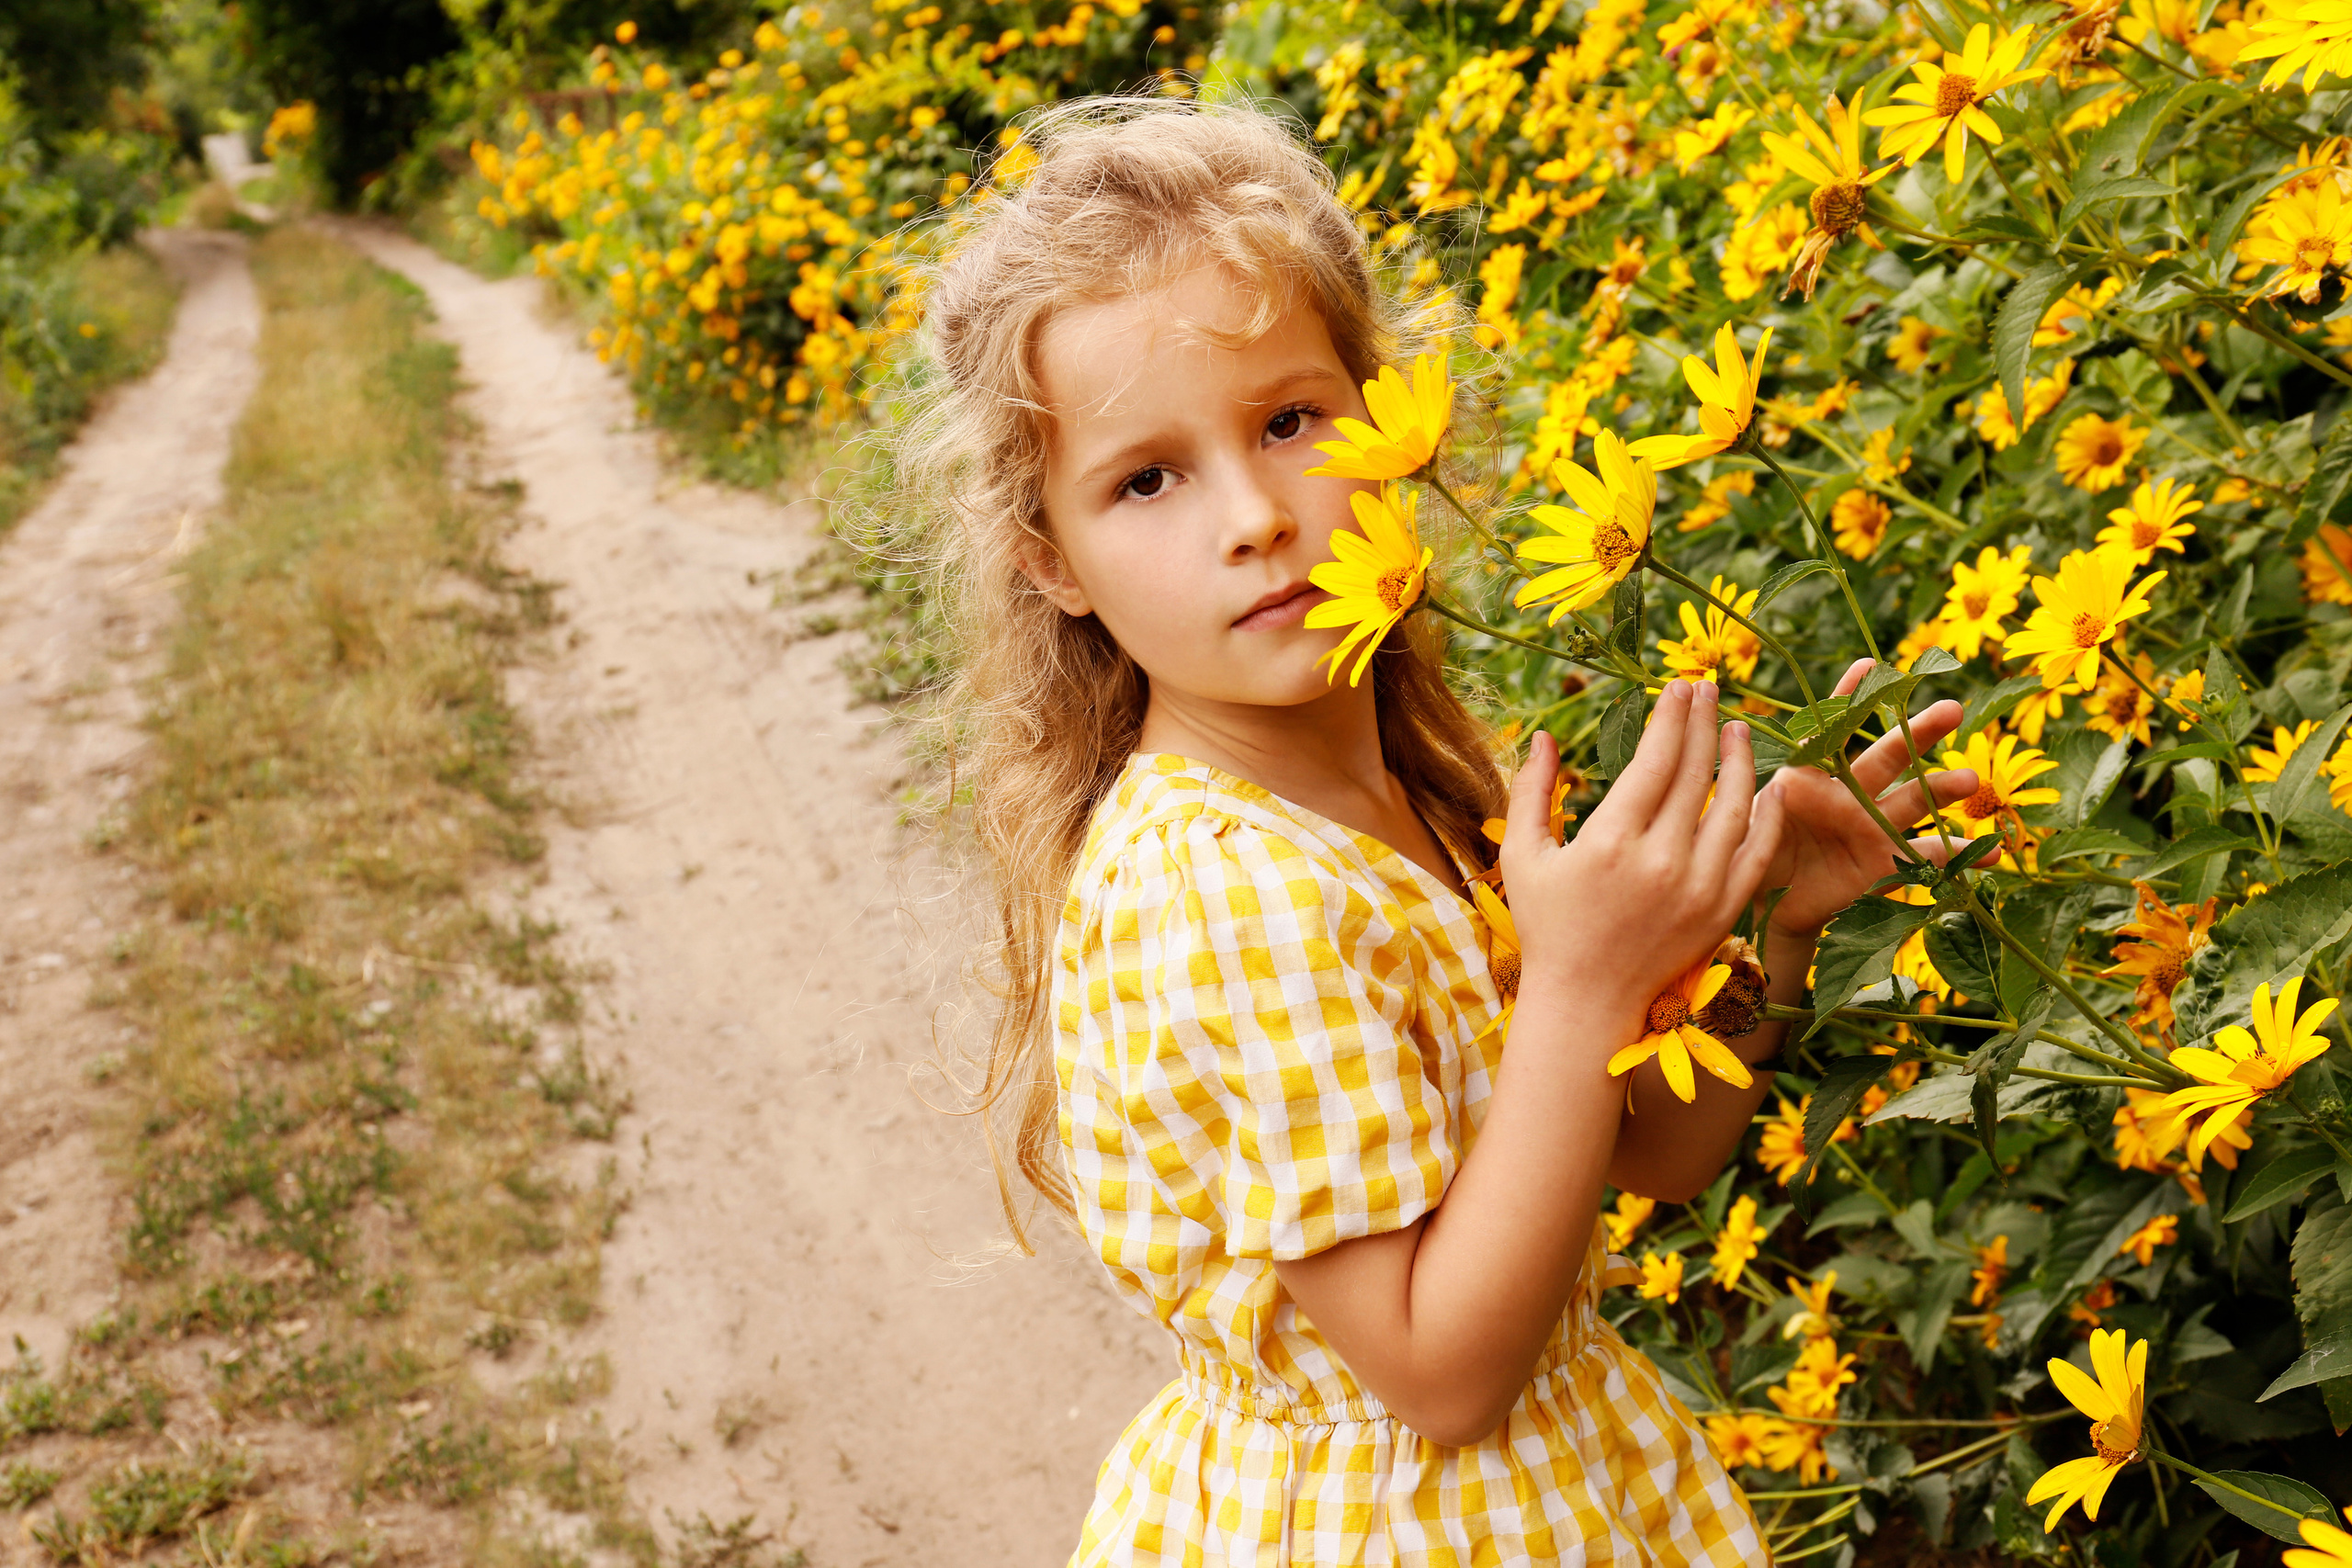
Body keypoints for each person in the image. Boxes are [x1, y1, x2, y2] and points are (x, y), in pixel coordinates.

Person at [885, 96, 1977, 1565]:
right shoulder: (1228, 892)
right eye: (1146, 479)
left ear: (1384, 423)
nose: (1257, 516)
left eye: (1289, 422)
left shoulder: (1398, 784)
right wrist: (1587, 978)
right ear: (1052, 563)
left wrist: (1768, 927)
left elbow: (1648, 1152)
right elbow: (1441, 1370)